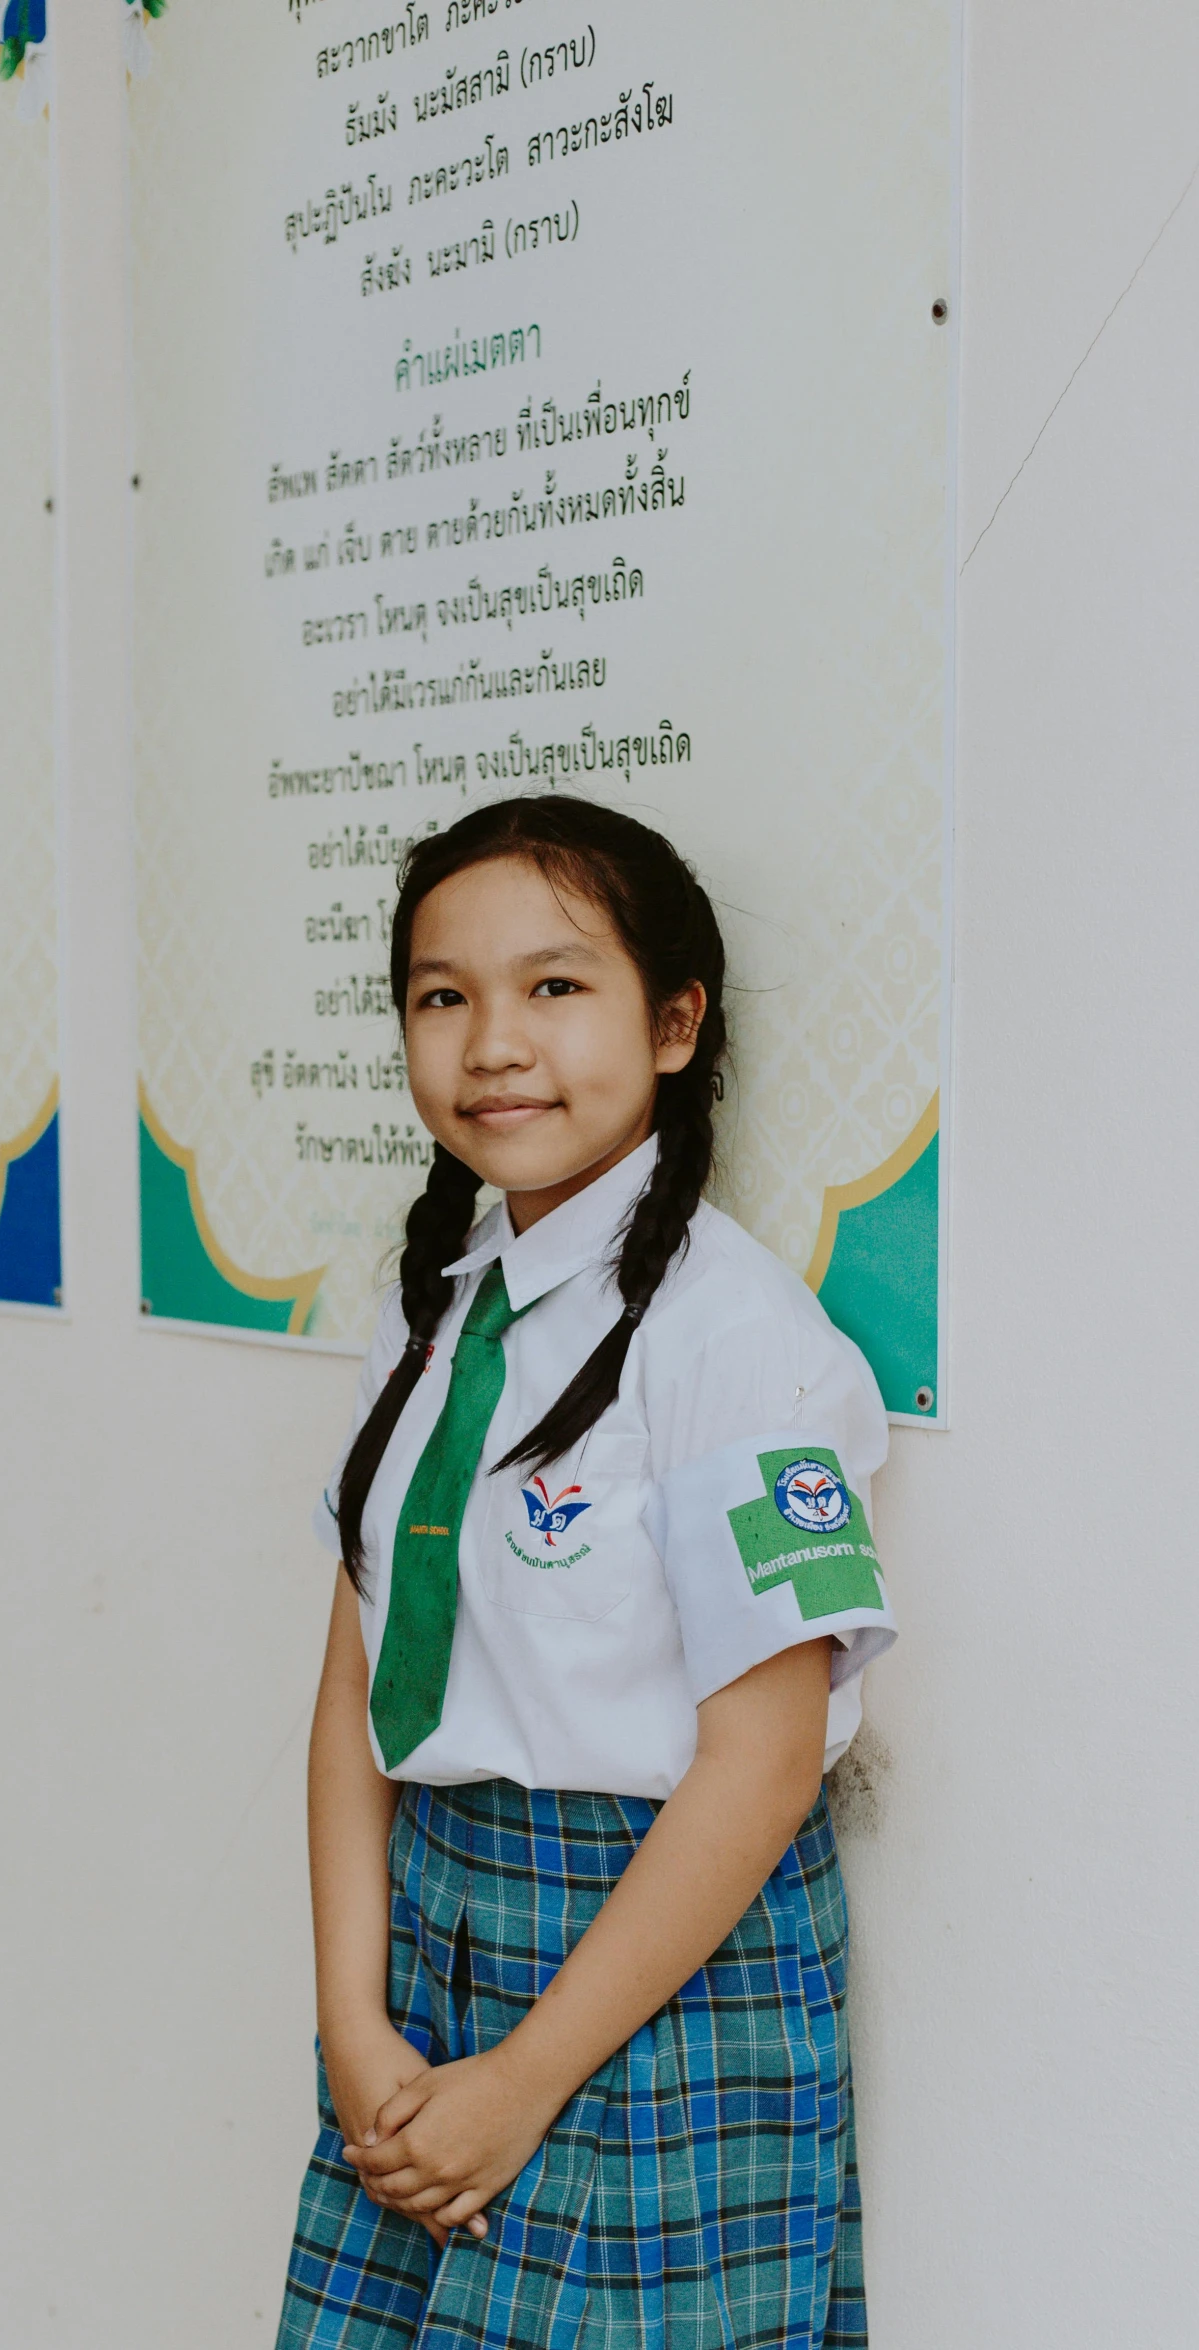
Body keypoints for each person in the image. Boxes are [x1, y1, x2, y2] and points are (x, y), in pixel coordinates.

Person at [276, 795, 895, 2349]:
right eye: (443, 994)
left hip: (650, 1979)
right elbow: (356, 1677)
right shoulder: (435, 1307)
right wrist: (351, 2016)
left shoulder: (736, 1344)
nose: (492, 1042)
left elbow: (758, 1773)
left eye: (554, 986)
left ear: (674, 1022)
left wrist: (527, 2075)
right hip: (435, 1940)